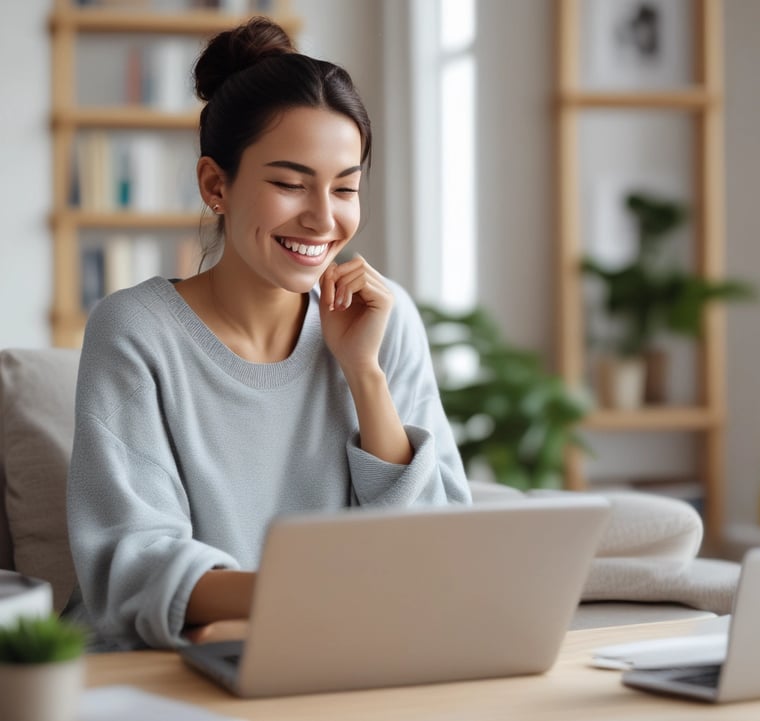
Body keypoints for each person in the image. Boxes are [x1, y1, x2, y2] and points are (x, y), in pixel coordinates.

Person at [66, 15, 471, 651]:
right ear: (215, 184)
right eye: (289, 183)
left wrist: (364, 375)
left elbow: (439, 552)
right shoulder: (136, 331)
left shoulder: (383, 323)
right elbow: (133, 563)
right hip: (162, 657)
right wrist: (305, 598)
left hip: (339, 645)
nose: (322, 218)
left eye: (346, 189)